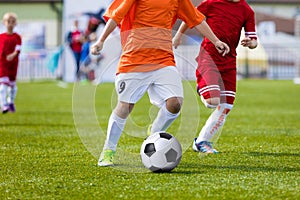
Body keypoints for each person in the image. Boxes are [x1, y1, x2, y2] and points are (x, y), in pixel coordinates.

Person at [91, 0, 230, 166]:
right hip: (134, 60)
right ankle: (108, 151)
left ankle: (154, 133)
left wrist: (215, 41)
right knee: (125, 106)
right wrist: (101, 41)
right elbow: (116, 16)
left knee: (175, 103)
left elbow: (196, 19)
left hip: (164, 60)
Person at [173, 0, 258, 154]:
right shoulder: (211, 3)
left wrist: (250, 43)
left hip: (230, 62)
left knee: (226, 106)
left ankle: (202, 141)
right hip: (209, 58)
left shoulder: (247, 11)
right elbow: (191, 17)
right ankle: (203, 85)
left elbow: (254, 41)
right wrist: (178, 35)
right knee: (212, 102)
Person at [0, 12, 22, 114]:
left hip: (13, 64)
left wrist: (12, 55)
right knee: (3, 86)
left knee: (13, 86)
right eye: (8, 21)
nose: (10, 24)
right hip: (3, 64)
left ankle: (11, 102)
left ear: (15, 24)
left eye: (13, 22)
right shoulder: (1, 37)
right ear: (4, 23)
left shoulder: (17, 37)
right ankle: (4, 104)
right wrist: (5, 56)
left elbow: (18, 49)